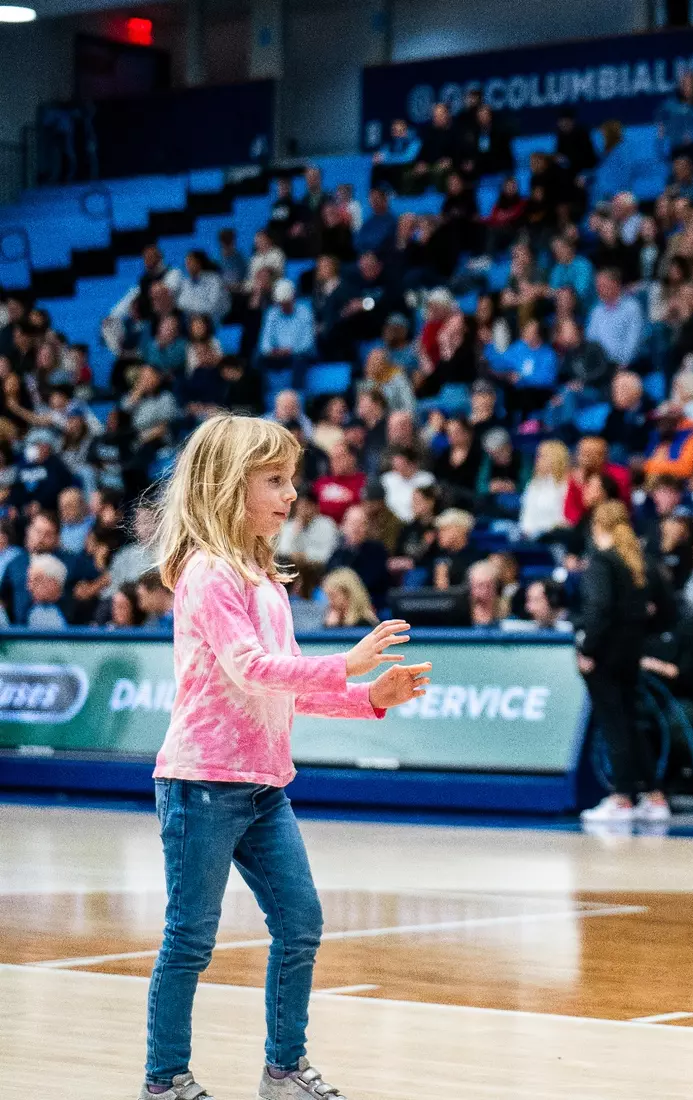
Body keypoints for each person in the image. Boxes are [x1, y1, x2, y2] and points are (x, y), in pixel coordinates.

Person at [138, 415, 429, 1100]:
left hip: (265, 788)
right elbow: (251, 669)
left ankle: (284, 1069)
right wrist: (346, 662)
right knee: (190, 940)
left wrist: (371, 698)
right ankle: (164, 1079)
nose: (292, 493)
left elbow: (287, 687)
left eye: (292, 480)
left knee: (301, 925)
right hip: (201, 783)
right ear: (225, 486)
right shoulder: (208, 574)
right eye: (274, 480)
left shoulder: (265, 579)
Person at [574, 499, 669, 824]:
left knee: (614, 725)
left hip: (604, 657)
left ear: (597, 525)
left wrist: (587, 649)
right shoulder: (640, 562)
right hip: (632, 654)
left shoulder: (602, 560)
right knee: (630, 723)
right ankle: (654, 797)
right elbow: (667, 608)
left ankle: (622, 798)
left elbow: (598, 609)